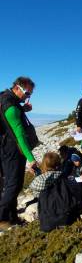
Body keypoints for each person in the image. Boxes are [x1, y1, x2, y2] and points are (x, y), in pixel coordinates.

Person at [0, 77, 38, 230]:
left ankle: (12, 215)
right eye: (27, 93)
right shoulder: (12, 108)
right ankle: (3, 219)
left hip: (3, 146)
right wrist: (31, 158)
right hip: (12, 149)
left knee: (9, 182)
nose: (28, 97)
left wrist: (23, 108)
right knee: (14, 184)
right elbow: (20, 135)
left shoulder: (4, 97)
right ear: (17, 88)